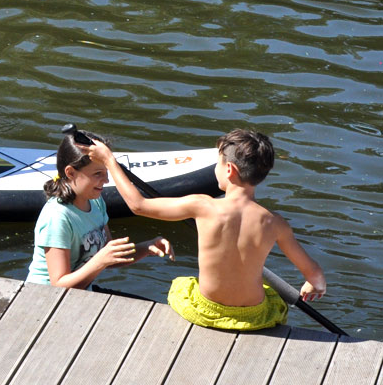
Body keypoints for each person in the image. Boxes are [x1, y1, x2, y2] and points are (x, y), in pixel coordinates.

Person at [88, 129, 327, 330]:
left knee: (181, 284)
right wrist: (313, 285)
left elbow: (138, 205)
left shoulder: (203, 205)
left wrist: (109, 160)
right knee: (273, 299)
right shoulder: (275, 223)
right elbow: (314, 273)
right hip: (253, 317)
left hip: (206, 310)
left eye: (217, 163)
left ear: (229, 170)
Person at [26, 130, 174, 291]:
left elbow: (110, 256)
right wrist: (100, 261)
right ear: (70, 172)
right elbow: (58, 284)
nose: (106, 180)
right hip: (44, 300)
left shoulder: (96, 202)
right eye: (98, 174)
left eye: (106, 172)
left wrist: (146, 247)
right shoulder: (57, 217)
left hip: (80, 294)